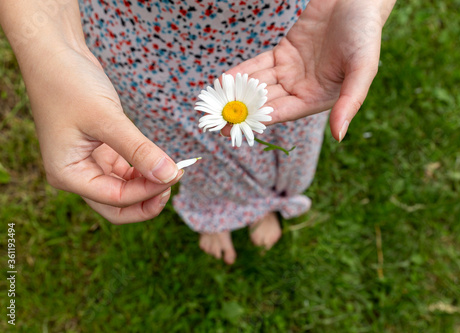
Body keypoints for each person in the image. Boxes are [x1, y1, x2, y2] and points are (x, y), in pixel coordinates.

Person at [0, 0, 396, 264]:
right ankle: (219, 211)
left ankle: (267, 202)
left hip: (293, 31)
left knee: (285, 129)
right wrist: (50, 53)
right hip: (143, 45)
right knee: (191, 147)